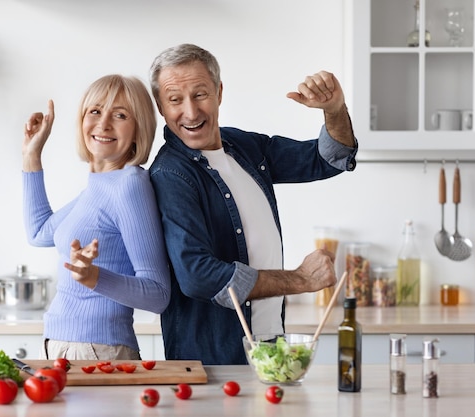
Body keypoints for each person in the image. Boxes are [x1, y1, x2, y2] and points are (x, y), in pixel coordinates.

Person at [148, 43, 358, 365]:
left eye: (200, 94)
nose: (190, 112)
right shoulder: (171, 174)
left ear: (219, 92)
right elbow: (198, 275)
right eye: (175, 100)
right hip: (215, 361)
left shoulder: (244, 148)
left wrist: (334, 109)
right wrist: (300, 279)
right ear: (161, 106)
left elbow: (328, 158)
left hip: (270, 347)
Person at [22, 74, 170, 361]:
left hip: (98, 350)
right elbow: (39, 233)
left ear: (139, 128)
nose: (103, 124)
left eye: (120, 115)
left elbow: (158, 294)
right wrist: (32, 155)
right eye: (96, 111)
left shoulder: (129, 186)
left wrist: (94, 278)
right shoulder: (99, 185)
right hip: (62, 346)